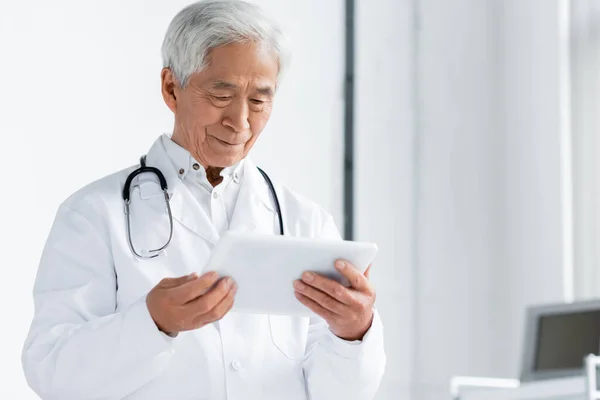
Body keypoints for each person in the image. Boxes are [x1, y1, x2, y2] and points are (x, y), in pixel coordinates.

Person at [21, 1, 386, 399]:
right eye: (220, 94)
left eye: (260, 100)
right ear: (171, 88)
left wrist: (354, 334)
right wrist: (152, 323)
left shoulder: (306, 223)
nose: (241, 121)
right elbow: (52, 372)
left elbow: (338, 393)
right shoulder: (94, 215)